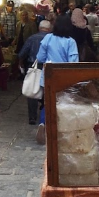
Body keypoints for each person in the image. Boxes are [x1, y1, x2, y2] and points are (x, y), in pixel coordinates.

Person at [34, 14, 79, 144]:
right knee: (63, 104)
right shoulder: (70, 42)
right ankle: (59, 131)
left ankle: (43, 123)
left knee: (47, 103)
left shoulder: (48, 38)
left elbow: (40, 57)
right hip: (63, 77)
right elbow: (73, 63)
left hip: (48, 75)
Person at [18, 20, 53, 126]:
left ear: (39, 28)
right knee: (46, 92)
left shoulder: (32, 38)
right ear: (49, 29)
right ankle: (44, 115)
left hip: (34, 67)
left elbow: (22, 53)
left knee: (33, 91)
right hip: (48, 68)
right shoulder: (53, 39)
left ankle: (32, 117)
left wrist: (20, 64)